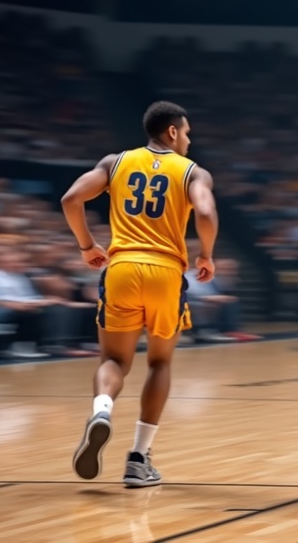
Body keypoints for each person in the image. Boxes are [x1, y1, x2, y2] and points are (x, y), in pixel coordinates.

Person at [61, 101, 218, 487]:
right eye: (187, 133)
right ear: (172, 132)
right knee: (159, 363)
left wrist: (87, 246)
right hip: (165, 272)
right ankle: (138, 458)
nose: (189, 141)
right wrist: (206, 254)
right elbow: (205, 212)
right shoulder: (193, 171)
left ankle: (102, 410)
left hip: (122, 269)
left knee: (114, 360)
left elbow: (70, 199)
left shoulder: (114, 162)